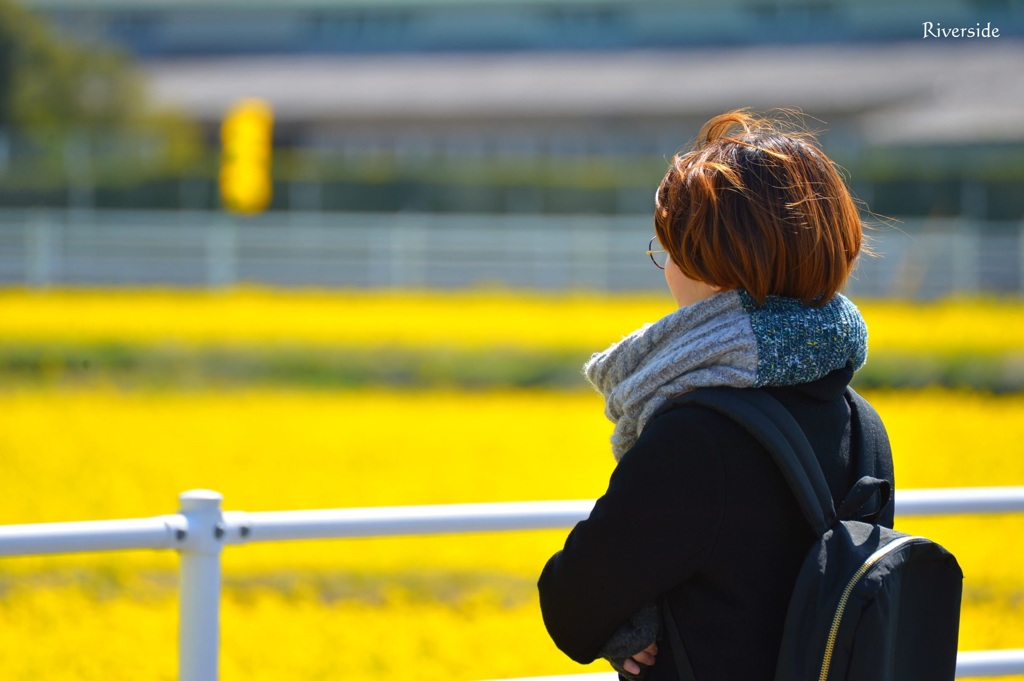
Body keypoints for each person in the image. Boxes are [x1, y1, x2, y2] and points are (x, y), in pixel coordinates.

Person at [537, 109, 894, 681]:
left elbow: (572, 606)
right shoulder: (861, 421)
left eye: (671, 249)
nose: (668, 270)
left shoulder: (697, 438)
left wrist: (629, 624)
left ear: (712, 263)